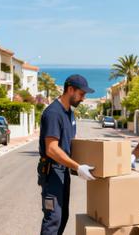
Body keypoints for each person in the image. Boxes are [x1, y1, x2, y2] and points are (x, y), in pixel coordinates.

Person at [38, 74, 97, 235]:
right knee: (53, 219)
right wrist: (77, 167)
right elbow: (51, 148)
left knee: (63, 216)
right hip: (52, 172)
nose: (83, 99)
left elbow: (70, 142)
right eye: (82, 94)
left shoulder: (69, 113)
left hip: (63, 172)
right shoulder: (53, 113)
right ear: (70, 90)